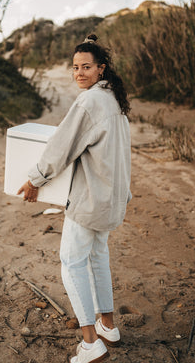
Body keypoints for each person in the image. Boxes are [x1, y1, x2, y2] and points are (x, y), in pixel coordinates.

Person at [18, 34, 132, 363]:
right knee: (97, 259)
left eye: (86, 67)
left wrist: (35, 179)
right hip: (111, 200)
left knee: (71, 263)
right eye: (75, 68)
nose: (79, 73)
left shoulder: (89, 102)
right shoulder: (113, 100)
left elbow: (62, 145)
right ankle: (108, 325)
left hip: (91, 201)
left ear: (101, 69)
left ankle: (91, 342)